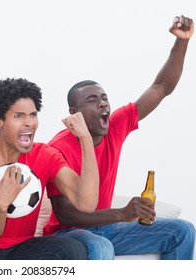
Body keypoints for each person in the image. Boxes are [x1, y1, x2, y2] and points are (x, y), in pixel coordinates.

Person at [44, 15, 196, 260]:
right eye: (92, 100)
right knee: (101, 247)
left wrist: (182, 42)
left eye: (104, 98)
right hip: (69, 233)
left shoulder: (115, 126)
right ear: (74, 113)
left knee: (182, 231)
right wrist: (121, 214)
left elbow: (160, 88)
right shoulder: (58, 149)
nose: (103, 103)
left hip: (109, 228)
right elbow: (65, 215)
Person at [0, 77, 99, 260]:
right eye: (19, 116)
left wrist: (85, 139)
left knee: (74, 249)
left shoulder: (45, 155)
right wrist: (1, 204)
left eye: (33, 115)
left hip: (24, 247)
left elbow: (86, 204)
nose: (29, 123)